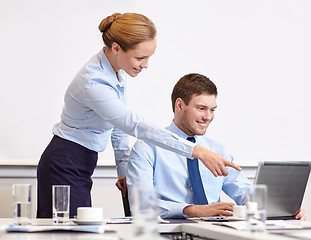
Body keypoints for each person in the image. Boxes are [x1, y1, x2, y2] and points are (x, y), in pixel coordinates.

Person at [36, 13, 241, 219]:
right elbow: (135, 125)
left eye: (148, 57)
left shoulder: (114, 72)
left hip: (81, 160)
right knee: (68, 231)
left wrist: (123, 169)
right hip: (66, 160)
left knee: (79, 229)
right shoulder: (94, 83)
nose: (145, 65)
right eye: (140, 57)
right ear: (116, 48)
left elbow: (116, 126)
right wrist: (197, 151)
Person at [127, 73, 306, 220]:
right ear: (180, 105)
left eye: (212, 110)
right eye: (201, 108)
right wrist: (192, 210)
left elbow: (242, 190)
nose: (208, 117)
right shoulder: (147, 147)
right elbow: (141, 206)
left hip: (215, 231)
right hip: (168, 232)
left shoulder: (217, 150)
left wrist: (280, 208)